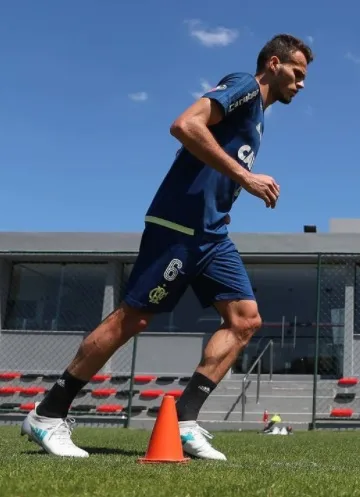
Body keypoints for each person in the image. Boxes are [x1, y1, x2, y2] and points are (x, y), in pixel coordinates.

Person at [20, 33, 314, 460]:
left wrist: (231, 190)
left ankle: (184, 421)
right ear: (273, 63)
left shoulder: (258, 118)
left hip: (213, 234)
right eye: (297, 72)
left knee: (245, 321)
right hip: (178, 224)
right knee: (132, 320)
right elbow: (185, 125)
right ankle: (47, 414)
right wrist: (246, 178)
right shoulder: (244, 87)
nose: (301, 83)